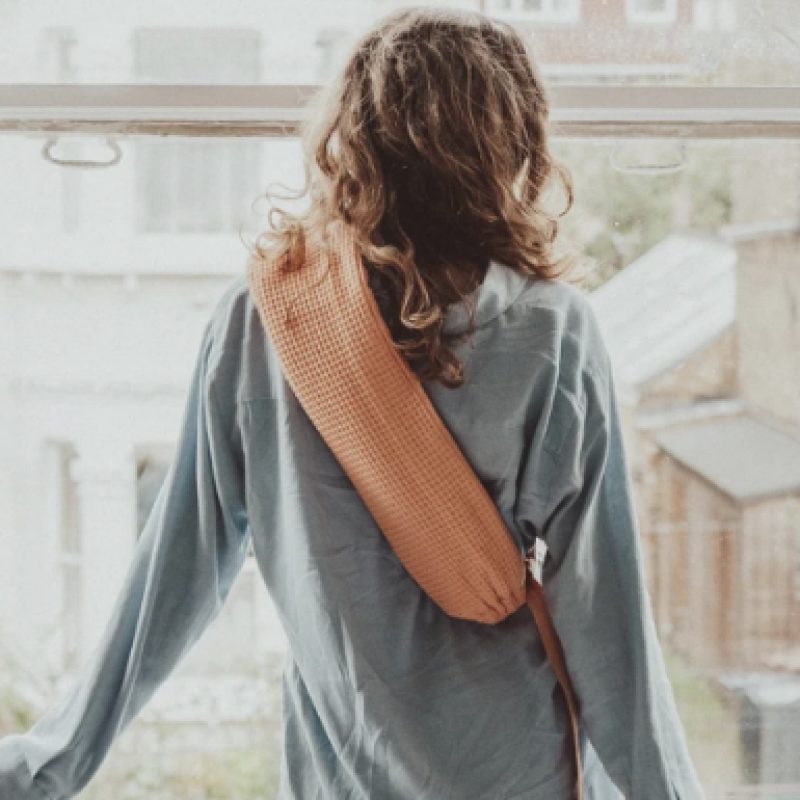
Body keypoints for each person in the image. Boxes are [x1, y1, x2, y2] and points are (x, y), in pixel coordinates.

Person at [0, 8, 706, 800]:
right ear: (510, 146)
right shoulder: (551, 330)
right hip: (513, 772)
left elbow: (176, 575)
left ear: (352, 140)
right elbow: (606, 624)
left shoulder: (264, 321)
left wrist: (44, 766)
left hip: (336, 777)